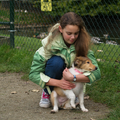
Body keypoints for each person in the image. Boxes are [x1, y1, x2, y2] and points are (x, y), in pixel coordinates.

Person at [29, 12, 101, 108]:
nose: (73, 37)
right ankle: (47, 92)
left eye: (76, 33)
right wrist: (58, 83)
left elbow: (97, 73)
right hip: (55, 80)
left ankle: (73, 94)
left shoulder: (82, 46)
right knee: (56, 62)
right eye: (69, 33)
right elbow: (33, 74)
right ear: (60, 29)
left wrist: (73, 78)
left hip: (72, 83)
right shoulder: (48, 45)